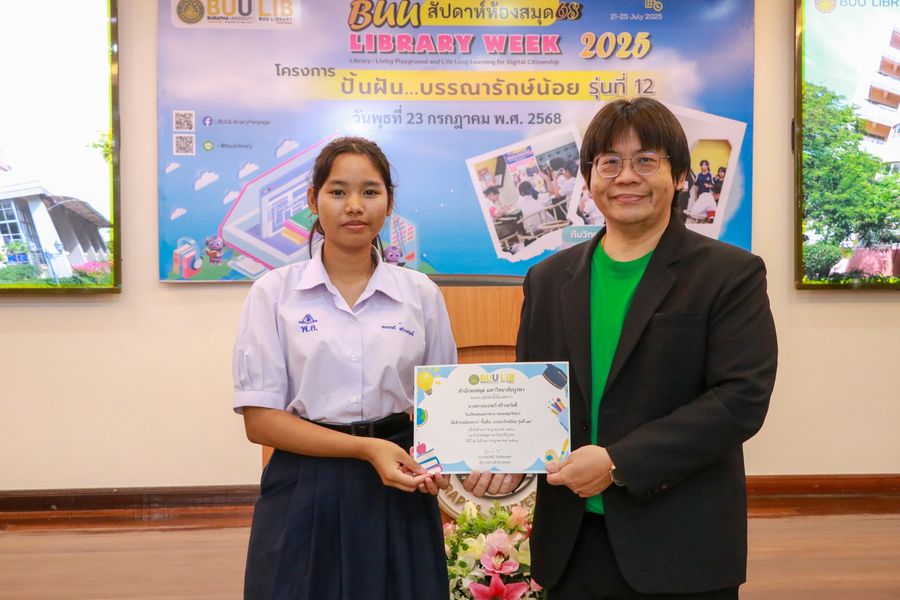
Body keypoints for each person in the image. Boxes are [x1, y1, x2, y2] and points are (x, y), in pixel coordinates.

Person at [465, 98, 777, 599]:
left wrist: (617, 462)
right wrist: (502, 457)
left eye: (646, 161)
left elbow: (740, 401)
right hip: (571, 544)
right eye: (609, 161)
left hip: (680, 542)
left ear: (679, 176)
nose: (626, 176)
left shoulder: (730, 274)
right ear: (588, 179)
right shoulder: (547, 278)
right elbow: (534, 398)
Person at [233, 136, 456, 600]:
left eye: (370, 192)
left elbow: (444, 406)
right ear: (312, 199)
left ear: (389, 202)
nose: (355, 205)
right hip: (303, 484)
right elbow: (260, 420)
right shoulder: (273, 293)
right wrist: (364, 449)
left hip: (399, 481)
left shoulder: (420, 294)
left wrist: (443, 462)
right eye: (338, 191)